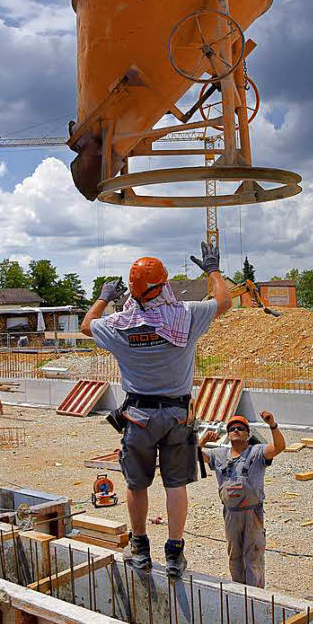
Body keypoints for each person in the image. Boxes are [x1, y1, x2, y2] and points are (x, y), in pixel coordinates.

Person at [80, 243, 231, 577]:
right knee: (175, 486)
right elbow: (224, 301)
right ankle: (175, 555)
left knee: (137, 485)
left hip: (138, 417)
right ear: (164, 285)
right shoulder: (186, 316)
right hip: (177, 416)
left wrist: (104, 296)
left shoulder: (119, 324)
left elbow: (87, 325)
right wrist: (212, 270)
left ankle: (141, 549)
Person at [199, 411, 285, 587]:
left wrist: (272, 425)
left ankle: (256, 596)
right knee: (234, 557)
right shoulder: (219, 455)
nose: (236, 430)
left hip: (252, 513)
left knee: (253, 556)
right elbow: (193, 453)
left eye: (240, 428)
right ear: (228, 434)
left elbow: (279, 447)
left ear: (248, 434)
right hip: (231, 514)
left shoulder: (256, 453)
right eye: (232, 428)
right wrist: (203, 439)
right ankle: (239, 593)